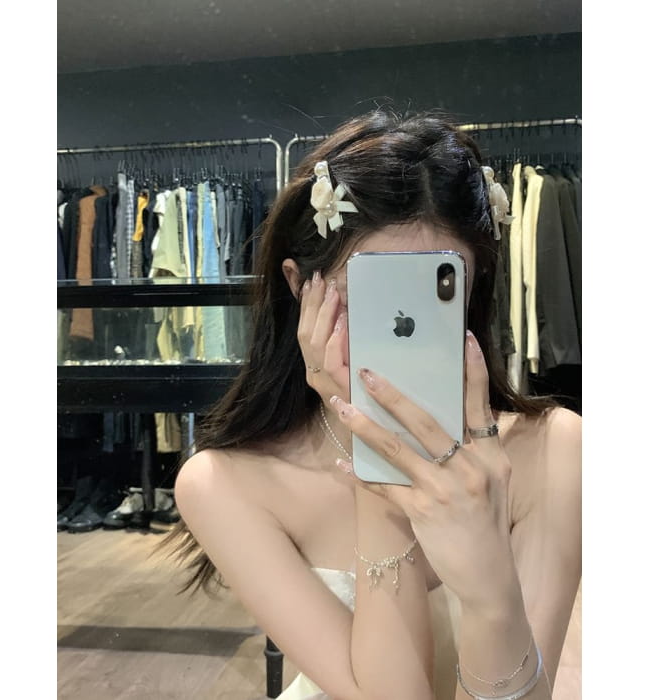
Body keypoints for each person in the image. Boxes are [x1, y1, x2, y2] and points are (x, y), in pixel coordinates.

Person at [165, 110, 582, 700]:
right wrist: (374, 452)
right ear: (298, 286)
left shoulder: (554, 451)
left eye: (434, 292)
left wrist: (493, 599)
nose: (400, 325)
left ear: (472, 292)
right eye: (372, 296)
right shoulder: (223, 483)